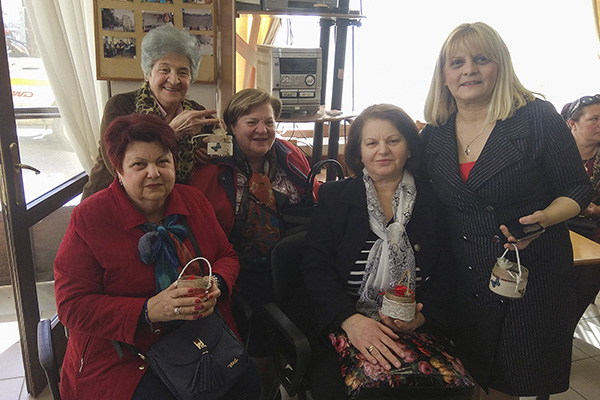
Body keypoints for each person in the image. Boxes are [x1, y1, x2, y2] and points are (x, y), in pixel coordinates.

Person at [421, 22, 593, 399]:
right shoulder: (434, 132)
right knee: (464, 378)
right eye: (457, 62)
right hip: (463, 278)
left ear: (500, 65)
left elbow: (578, 187)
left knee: (505, 384)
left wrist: (547, 217)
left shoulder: (536, 118)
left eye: (481, 59)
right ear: (444, 75)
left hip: (529, 276)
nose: (469, 70)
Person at [54, 114, 260, 400]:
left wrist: (216, 282)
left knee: (246, 384)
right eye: (139, 164)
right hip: (125, 352)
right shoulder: (90, 218)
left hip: (199, 334)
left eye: (163, 161)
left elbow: (226, 255)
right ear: (118, 170)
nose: (154, 173)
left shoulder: (194, 201)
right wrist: (149, 309)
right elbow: (72, 305)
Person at [299, 104, 454, 400]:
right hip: (342, 322)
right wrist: (349, 320)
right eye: (371, 143)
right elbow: (316, 266)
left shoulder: (435, 199)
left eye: (393, 140)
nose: (382, 150)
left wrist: (421, 318)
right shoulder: (334, 197)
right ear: (359, 153)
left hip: (415, 325)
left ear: (409, 148)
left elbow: (448, 268)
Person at [189, 88, 313, 394]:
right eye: (251, 122)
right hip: (240, 266)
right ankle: (262, 387)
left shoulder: (289, 155)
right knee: (262, 318)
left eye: (269, 122)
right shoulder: (212, 163)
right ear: (232, 126)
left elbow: (312, 197)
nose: (262, 130)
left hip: (293, 260)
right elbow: (201, 229)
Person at [82, 24, 218, 199]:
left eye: (183, 72)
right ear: (147, 74)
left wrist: (208, 154)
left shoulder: (196, 113)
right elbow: (117, 165)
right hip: (111, 201)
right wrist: (171, 133)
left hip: (168, 205)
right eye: (164, 70)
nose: (174, 80)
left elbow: (221, 149)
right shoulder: (121, 107)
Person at [561, 95, 600, 323]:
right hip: (554, 222)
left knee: (586, 278)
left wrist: (595, 211)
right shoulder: (554, 154)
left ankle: (568, 324)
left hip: (591, 228)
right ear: (572, 124)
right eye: (594, 119)